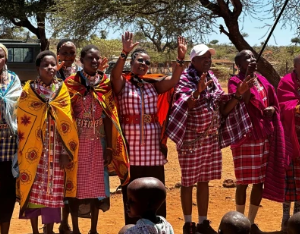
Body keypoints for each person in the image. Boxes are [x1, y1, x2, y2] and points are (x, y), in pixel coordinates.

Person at [166, 44, 253, 234]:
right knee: (188, 182)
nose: (208, 60)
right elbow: (183, 105)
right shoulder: (184, 78)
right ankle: (188, 224)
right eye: (203, 58)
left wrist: (238, 94)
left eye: (209, 58)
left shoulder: (212, 78)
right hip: (192, 139)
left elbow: (222, 109)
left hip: (211, 137)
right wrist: (197, 92)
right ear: (193, 60)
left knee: (205, 180)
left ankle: (202, 223)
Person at [110, 31, 188, 225]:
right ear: (132, 63)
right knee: (132, 190)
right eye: (140, 61)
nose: (144, 64)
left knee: (155, 188)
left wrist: (180, 59)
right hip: (130, 147)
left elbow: (173, 81)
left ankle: (158, 226)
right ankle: (132, 227)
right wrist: (124, 52)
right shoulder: (123, 84)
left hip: (153, 147)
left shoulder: (153, 85)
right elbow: (114, 75)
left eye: (147, 62)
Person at [65, 44, 129, 234]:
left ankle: (93, 229)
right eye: (89, 58)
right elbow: (65, 116)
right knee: (74, 188)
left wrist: (109, 147)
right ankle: (75, 229)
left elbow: (109, 117)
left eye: (96, 58)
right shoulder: (71, 83)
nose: (93, 61)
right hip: (76, 143)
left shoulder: (105, 84)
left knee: (96, 188)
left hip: (98, 142)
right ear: (81, 61)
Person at [17, 50, 79, 234]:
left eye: (53, 64)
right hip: (34, 150)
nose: (50, 68)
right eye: (46, 65)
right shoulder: (29, 91)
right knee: (34, 189)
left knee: (54, 192)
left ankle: (49, 230)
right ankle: (36, 231)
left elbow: (68, 120)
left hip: (57, 151)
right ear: (38, 68)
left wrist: (65, 151)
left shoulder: (61, 91)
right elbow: (22, 118)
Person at [228, 50, 285, 233]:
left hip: (263, 134)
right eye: (247, 58)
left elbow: (274, 103)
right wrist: (246, 85)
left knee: (259, 181)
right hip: (245, 136)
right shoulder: (235, 82)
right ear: (238, 64)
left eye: (253, 57)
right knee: (242, 181)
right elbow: (239, 104)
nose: (252, 59)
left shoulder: (263, 81)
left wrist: (271, 109)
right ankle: (239, 223)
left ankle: (250, 223)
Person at [0, 43, 22, 234]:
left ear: (5, 59)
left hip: (9, 145)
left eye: (0, 56)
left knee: (7, 192)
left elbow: (19, 108)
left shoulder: (13, 80)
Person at [277, 55, 300, 232]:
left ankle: (297, 219)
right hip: (290, 138)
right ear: (295, 67)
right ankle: (285, 218)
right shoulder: (286, 82)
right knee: (288, 179)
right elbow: (283, 106)